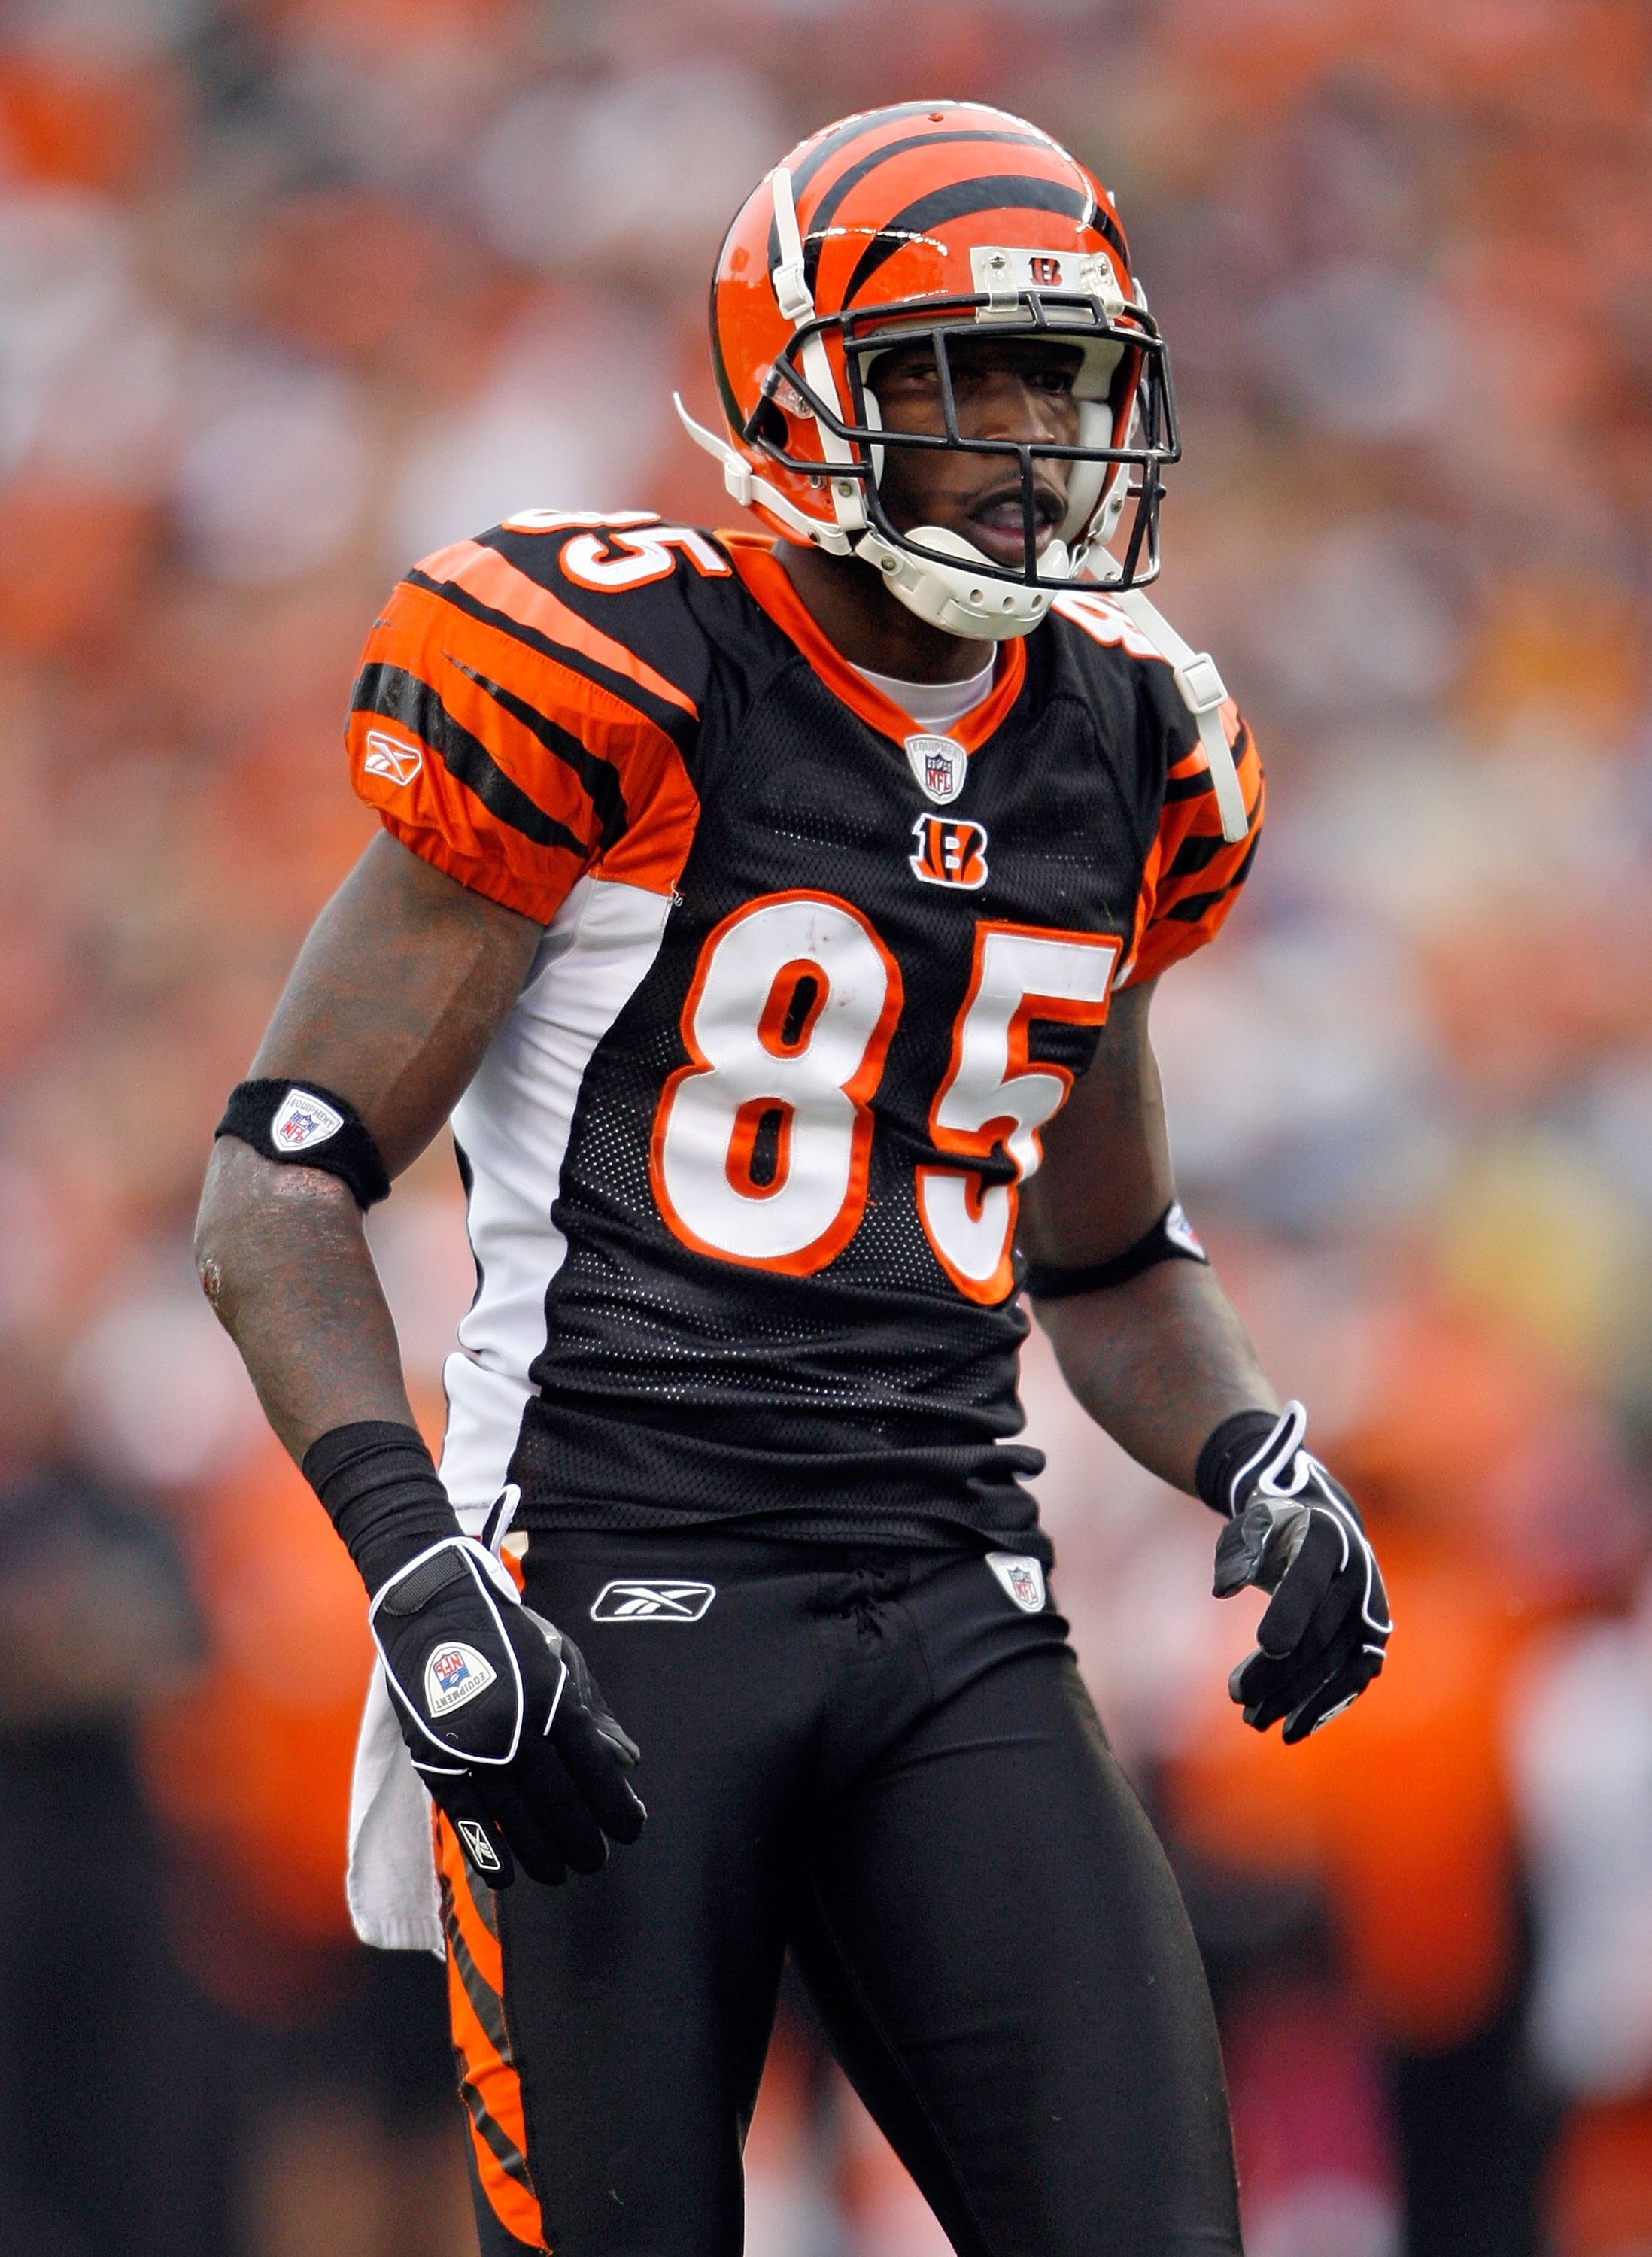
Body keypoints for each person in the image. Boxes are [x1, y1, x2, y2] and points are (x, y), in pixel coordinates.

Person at [195, 102, 1391, 2257]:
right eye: (968, 380)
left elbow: (1109, 1254)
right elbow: (275, 1189)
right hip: (611, 1584)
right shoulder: (626, 673)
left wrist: (1258, 1459)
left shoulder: (1126, 745)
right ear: (806, 391)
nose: (1032, 443)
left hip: (952, 1594)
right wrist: (417, 1571)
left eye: (1064, 383)